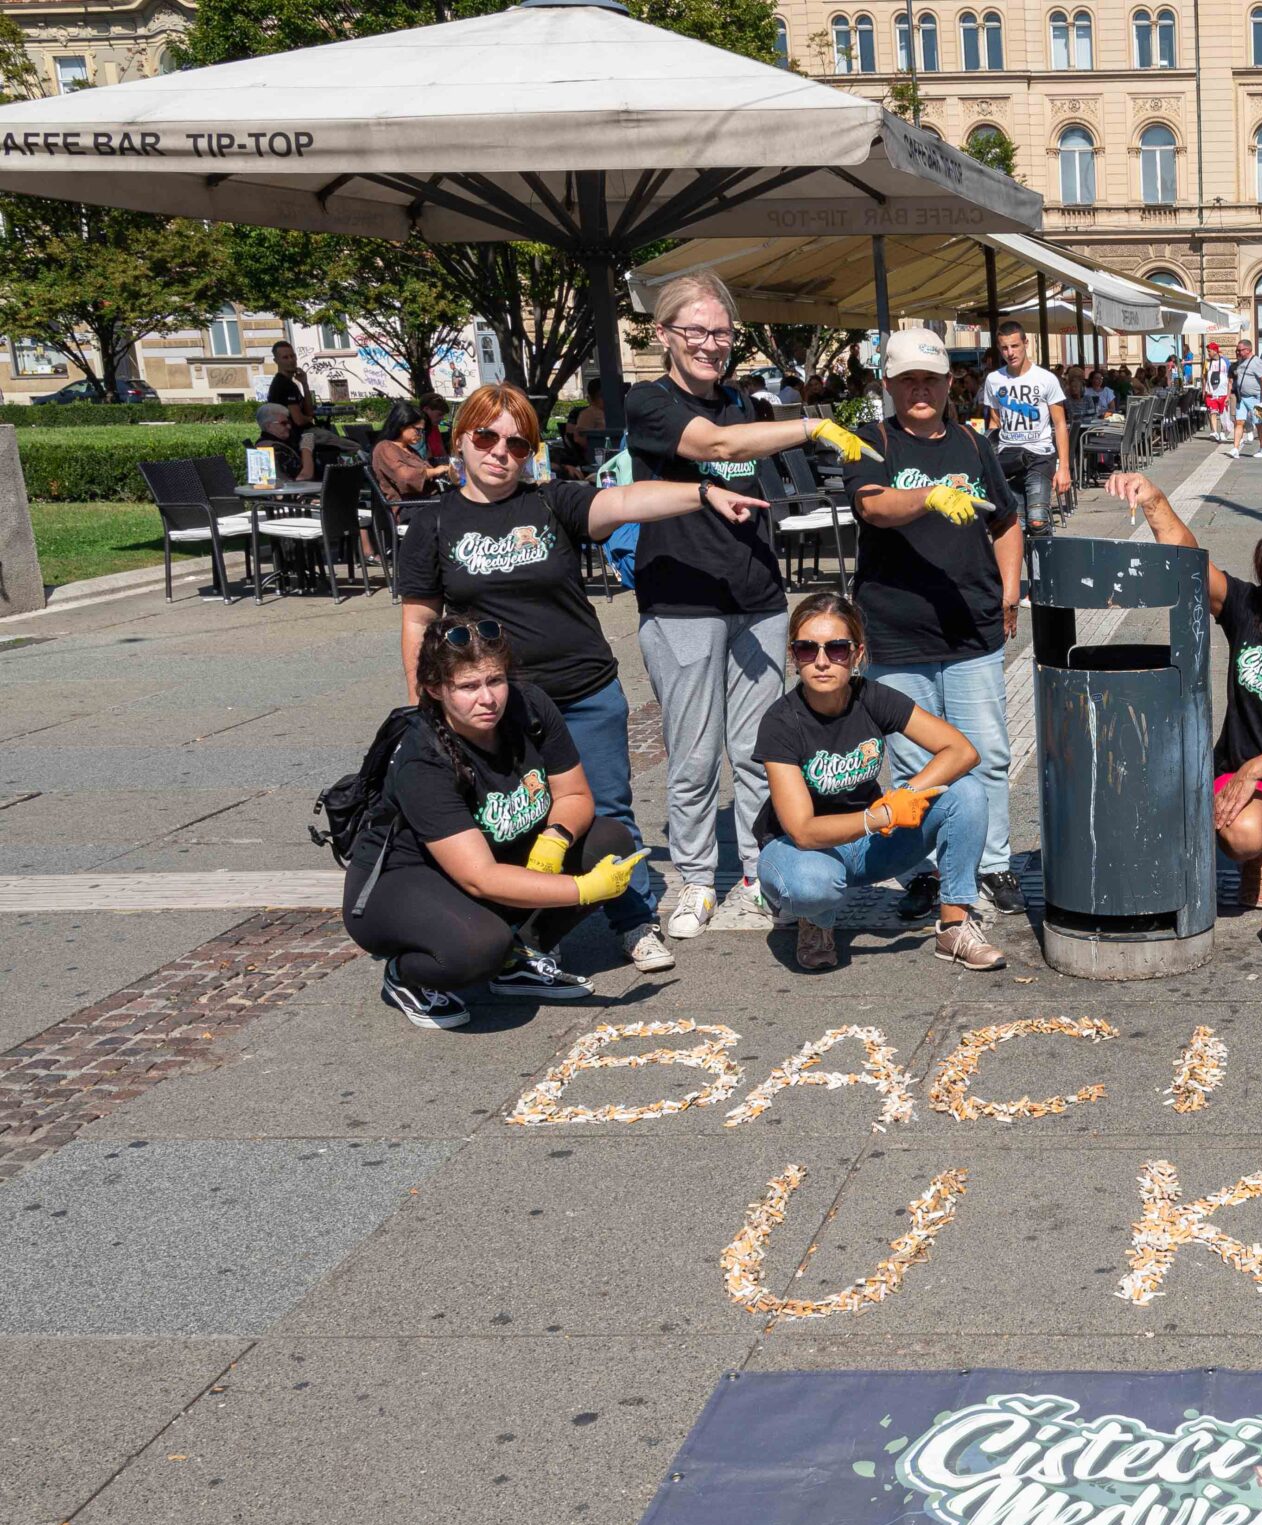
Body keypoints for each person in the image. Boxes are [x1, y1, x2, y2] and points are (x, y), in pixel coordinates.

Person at [394, 381, 769, 973]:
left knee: (609, 811)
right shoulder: (435, 524)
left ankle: (634, 921)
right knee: (508, 821)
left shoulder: (551, 503)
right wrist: (425, 707)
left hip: (583, 690)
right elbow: (419, 620)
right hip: (495, 705)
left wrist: (701, 492)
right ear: (461, 439)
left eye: (517, 444)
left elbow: (626, 502)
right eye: (486, 437)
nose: (500, 453)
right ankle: (533, 933)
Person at [624, 269, 881, 940]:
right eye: (697, 330)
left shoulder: (743, 400)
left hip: (758, 597)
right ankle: (695, 879)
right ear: (665, 334)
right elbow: (717, 447)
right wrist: (813, 423)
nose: (711, 343)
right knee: (693, 753)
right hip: (681, 599)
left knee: (760, 747)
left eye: (721, 331)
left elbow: (743, 445)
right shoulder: (648, 403)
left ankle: (758, 869)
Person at [345, 620, 649, 1030]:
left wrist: (555, 839)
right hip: (402, 882)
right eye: (468, 687)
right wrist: (582, 889)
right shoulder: (423, 757)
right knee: (478, 947)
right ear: (435, 689)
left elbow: (575, 796)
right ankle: (408, 976)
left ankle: (518, 958)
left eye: (496, 680)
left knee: (608, 839)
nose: (488, 698)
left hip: (492, 855)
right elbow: (481, 878)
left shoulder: (529, 707)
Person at [1110, 475, 1262, 928]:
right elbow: (1188, 559)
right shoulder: (1248, 608)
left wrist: (1254, 770)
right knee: (1242, 836)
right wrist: (1155, 500)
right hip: (1244, 769)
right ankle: (1255, 862)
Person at [849, 326, 1029, 920]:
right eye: (907, 381)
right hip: (897, 629)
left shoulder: (974, 445)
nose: (919, 391)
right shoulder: (872, 441)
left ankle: (993, 862)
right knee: (909, 761)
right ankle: (923, 869)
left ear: (951, 383)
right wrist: (928, 495)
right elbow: (873, 506)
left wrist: (1008, 591)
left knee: (987, 752)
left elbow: (1006, 521)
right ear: (889, 386)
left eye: (930, 379)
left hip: (969, 623)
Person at [753, 593, 1006, 972]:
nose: (822, 661)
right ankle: (814, 920)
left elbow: (961, 750)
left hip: (869, 843)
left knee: (965, 791)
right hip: (802, 851)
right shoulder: (781, 721)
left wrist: (907, 795)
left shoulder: (871, 696)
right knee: (810, 885)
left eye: (836, 649)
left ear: (856, 654)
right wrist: (881, 816)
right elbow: (804, 831)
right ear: (794, 655)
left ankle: (954, 926)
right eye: (807, 649)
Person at [983, 321, 1071, 536]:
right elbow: (994, 423)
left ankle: (1045, 565)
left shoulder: (1046, 379)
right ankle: (1022, 568)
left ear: (1026, 343)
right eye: (1004, 348)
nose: (1010, 353)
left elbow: (1059, 423)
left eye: (1015, 346)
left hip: (1039, 456)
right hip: (1007, 457)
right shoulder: (994, 380)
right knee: (1015, 526)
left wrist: (1064, 468)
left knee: (1038, 520)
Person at [370, 401, 452, 501]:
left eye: (423, 431)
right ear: (402, 425)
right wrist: (435, 471)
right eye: (418, 430)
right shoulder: (385, 447)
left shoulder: (409, 449)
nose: (421, 435)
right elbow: (406, 477)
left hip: (428, 501)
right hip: (412, 506)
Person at [251, 402, 315, 483]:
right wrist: (306, 448)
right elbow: (304, 477)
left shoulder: (261, 445)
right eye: (283, 423)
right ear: (269, 426)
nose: (289, 426)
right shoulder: (276, 449)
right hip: (290, 493)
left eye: (289, 422)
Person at [1232, 343, 1262, 457]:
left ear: (1248, 350)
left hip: (1255, 398)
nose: (1238, 352)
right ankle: (1235, 449)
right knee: (1239, 422)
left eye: (1240, 350)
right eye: (1237, 350)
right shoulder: (1241, 361)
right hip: (1242, 397)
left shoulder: (1257, 362)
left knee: (1258, 423)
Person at [266, 340, 308, 411]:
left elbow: (309, 411)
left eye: (292, 356)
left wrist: (305, 384)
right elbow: (299, 420)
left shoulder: (289, 383)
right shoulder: (284, 384)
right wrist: (308, 418)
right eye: (285, 357)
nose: (291, 360)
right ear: (276, 361)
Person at [1205, 341, 1232, 438]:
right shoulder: (1207, 363)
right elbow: (1204, 376)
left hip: (1223, 391)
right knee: (1213, 412)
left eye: (1209, 351)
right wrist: (1204, 389)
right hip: (1211, 392)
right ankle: (1214, 431)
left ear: (1215, 351)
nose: (1208, 353)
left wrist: (1229, 393)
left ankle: (1223, 431)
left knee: (1223, 414)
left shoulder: (1225, 361)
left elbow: (1230, 377)